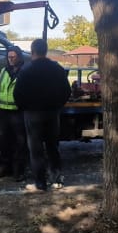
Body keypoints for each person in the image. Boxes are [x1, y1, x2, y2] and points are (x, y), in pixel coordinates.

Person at [13, 39, 71, 191]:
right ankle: (56, 179)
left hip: (32, 114)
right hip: (52, 113)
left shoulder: (26, 70)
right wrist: (58, 105)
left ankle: (40, 182)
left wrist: (24, 108)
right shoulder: (57, 68)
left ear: (32, 51)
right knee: (53, 147)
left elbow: (17, 94)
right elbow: (67, 91)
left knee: (35, 150)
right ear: (46, 51)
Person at [0, 46, 27, 182]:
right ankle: (6, 167)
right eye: (9, 57)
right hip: (4, 111)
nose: (11, 59)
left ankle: (18, 171)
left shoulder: (25, 71)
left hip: (18, 111)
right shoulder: (3, 71)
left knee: (20, 143)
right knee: (3, 141)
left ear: (19, 57)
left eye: (13, 57)